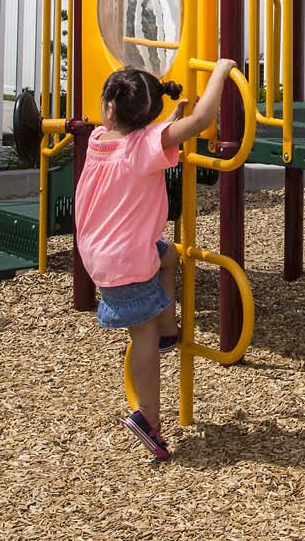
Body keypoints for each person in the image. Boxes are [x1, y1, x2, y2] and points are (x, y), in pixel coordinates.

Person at [76, 60, 235, 460]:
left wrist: (170, 121)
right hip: (124, 259)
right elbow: (202, 121)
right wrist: (222, 70)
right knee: (139, 336)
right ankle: (147, 415)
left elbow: (149, 134)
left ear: (110, 108)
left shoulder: (99, 138)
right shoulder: (146, 145)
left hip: (105, 250)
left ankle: (168, 329)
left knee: (168, 258)